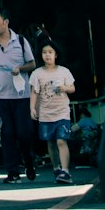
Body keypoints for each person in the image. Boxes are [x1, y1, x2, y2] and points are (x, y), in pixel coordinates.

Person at [0, 5, 37, 184]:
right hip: (1, 97)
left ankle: (29, 161)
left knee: (24, 133)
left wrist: (20, 68)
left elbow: (32, 63)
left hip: (21, 95)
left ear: (6, 22)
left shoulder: (21, 41)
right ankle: (12, 172)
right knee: (8, 133)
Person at [29, 39, 76, 184]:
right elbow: (34, 92)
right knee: (50, 143)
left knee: (62, 140)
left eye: (50, 52)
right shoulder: (37, 73)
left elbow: (73, 88)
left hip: (62, 112)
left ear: (56, 55)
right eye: (44, 52)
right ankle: (56, 168)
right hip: (45, 114)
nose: (47, 55)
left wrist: (65, 88)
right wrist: (32, 108)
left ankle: (66, 171)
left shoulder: (64, 71)